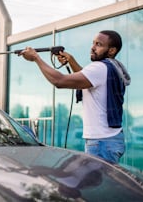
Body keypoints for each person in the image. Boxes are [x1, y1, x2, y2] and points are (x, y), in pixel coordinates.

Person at [19, 30, 131, 164]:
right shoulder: (111, 68)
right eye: (93, 43)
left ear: (112, 50)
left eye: (99, 44)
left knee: (97, 184)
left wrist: (36, 58)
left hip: (102, 142)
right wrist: (71, 61)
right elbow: (86, 79)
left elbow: (59, 81)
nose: (93, 47)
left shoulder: (99, 68)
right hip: (107, 140)